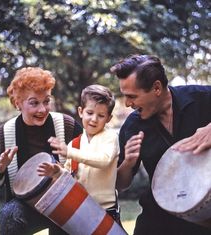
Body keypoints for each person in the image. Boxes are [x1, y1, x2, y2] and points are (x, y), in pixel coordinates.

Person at [110, 54, 211, 235]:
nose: (127, 104)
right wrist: (127, 164)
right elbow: (120, 184)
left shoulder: (202, 98)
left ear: (156, 88)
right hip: (159, 217)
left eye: (132, 96)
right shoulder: (132, 126)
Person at [0, 67, 82, 235]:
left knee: (65, 219)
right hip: (25, 206)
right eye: (34, 103)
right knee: (10, 214)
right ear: (18, 103)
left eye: (46, 101)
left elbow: (89, 158)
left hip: (64, 200)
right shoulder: (4, 134)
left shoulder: (66, 125)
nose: (42, 109)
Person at [37, 84, 123, 225]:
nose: (94, 119)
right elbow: (71, 175)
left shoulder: (110, 137)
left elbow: (104, 161)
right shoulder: (74, 144)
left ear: (108, 118)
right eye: (90, 113)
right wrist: (57, 171)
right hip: (81, 209)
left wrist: (70, 152)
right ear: (81, 111)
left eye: (101, 115)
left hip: (106, 211)